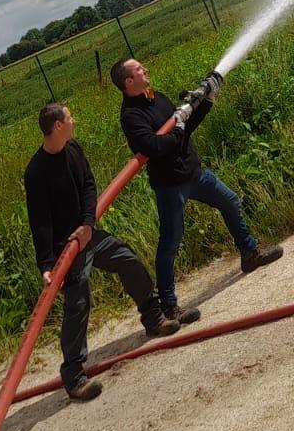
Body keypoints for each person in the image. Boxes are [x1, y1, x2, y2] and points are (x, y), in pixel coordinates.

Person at [24, 102, 180, 402]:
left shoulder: (73, 148)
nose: (74, 120)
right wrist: (46, 263)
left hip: (88, 234)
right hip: (64, 250)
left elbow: (88, 184)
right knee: (78, 303)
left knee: (128, 260)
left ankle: (153, 317)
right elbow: (39, 221)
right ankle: (74, 376)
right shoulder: (36, 172)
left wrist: (86, 225)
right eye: (69, 117)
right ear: (57, 126)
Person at [112, 58, 282, 321]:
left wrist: (206, 103)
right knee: (170, 242)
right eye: (138, 69)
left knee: (230, 201)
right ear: (128, 82)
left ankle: (249, 254)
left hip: (194, 173)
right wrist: (177, 127)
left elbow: (184, 130)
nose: (145, 69)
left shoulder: (157, 97)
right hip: (170, 185)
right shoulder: (131, 116)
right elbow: (152, 147)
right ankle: (169, 305)